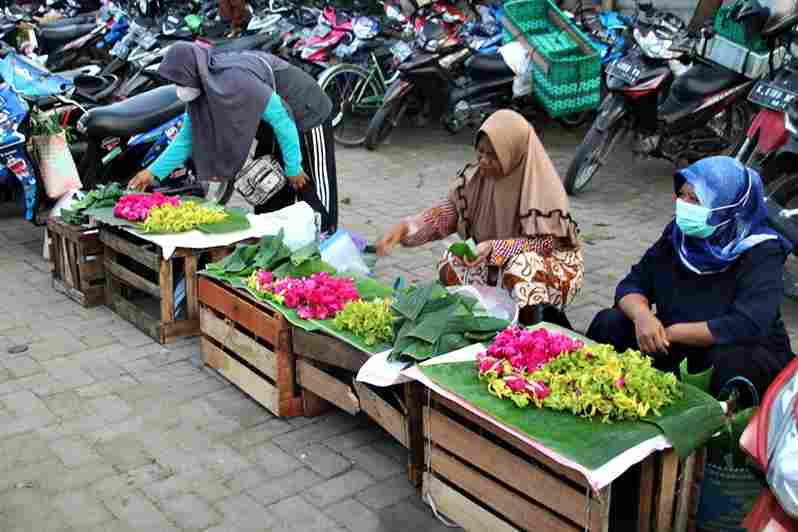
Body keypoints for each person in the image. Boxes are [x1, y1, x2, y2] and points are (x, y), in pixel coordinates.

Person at [587, 156, 794, 399]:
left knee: (735, 363)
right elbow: (633, 284)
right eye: (682, 195)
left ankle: (720, 427)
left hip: (730, 350)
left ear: (728, 208)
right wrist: (643, 317)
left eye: (696, 199)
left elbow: (746, 323)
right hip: (673, 345)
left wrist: (671, 333)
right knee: (610, 322)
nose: (683, 205)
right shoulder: (679, 234)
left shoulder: (762, 251)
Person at [377, 110, 583, 321]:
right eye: (480, 152)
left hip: (548, 268)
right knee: (452, 261)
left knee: (521, 268)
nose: (483, 160)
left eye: (493, 155)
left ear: (514, 152)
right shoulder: (476, 180)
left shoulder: (540, 187)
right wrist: (405, 228)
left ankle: (532, 331)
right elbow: (448, 214)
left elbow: (548, 244)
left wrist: (497, 247)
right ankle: (481, 321)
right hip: (497, 260)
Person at [128, 42, 338, 234]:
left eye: (180, 81)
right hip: (270, 124)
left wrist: (293, 166)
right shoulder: (202, 89)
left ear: (192, 72)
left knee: (311, 188)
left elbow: (282, 119)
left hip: (306, 112)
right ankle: (276, 243)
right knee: (270, 191)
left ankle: (326, 239)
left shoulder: (236, 81)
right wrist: (152, 172)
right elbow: (185, 140)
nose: (179, 89)